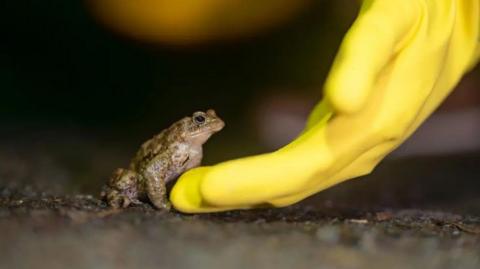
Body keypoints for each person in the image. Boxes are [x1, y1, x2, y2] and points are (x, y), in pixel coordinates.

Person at [89, 0, 479, 212]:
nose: (209, 123)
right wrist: (156, 202)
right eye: (200, 120)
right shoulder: (178, 145)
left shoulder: (192, 147)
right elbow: (152, 171)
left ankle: (414, 73)